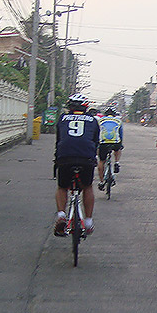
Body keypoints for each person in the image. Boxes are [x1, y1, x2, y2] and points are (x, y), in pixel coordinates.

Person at [54, 96, 100, 236]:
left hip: (65, 157)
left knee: (62, 187)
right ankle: (88, 221)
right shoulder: (92, 120)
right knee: (87, 187)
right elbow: (95, 142)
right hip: (86, 158)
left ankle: (61, 214)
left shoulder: (62, 118)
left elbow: (59, 139)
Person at [97, 105, 124, 188]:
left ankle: (101, 181)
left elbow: (97, 132)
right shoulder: (118, 120)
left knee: (101, 161)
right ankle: (116, 162)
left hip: (103, 142)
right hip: (115, 142)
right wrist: (121, 143)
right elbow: (120, 133)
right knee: (118, 149)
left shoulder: (100, 120)